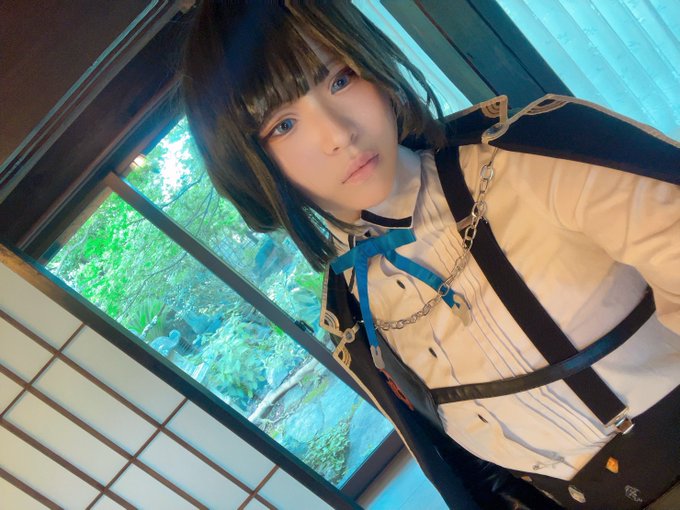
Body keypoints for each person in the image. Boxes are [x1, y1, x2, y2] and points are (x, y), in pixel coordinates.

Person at [181, 2, 680, 508]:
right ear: (249, 167)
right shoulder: (350, 313)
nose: (339, 135)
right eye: (283, 125)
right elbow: (471, 467)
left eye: (340, 79)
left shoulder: (536, 160)